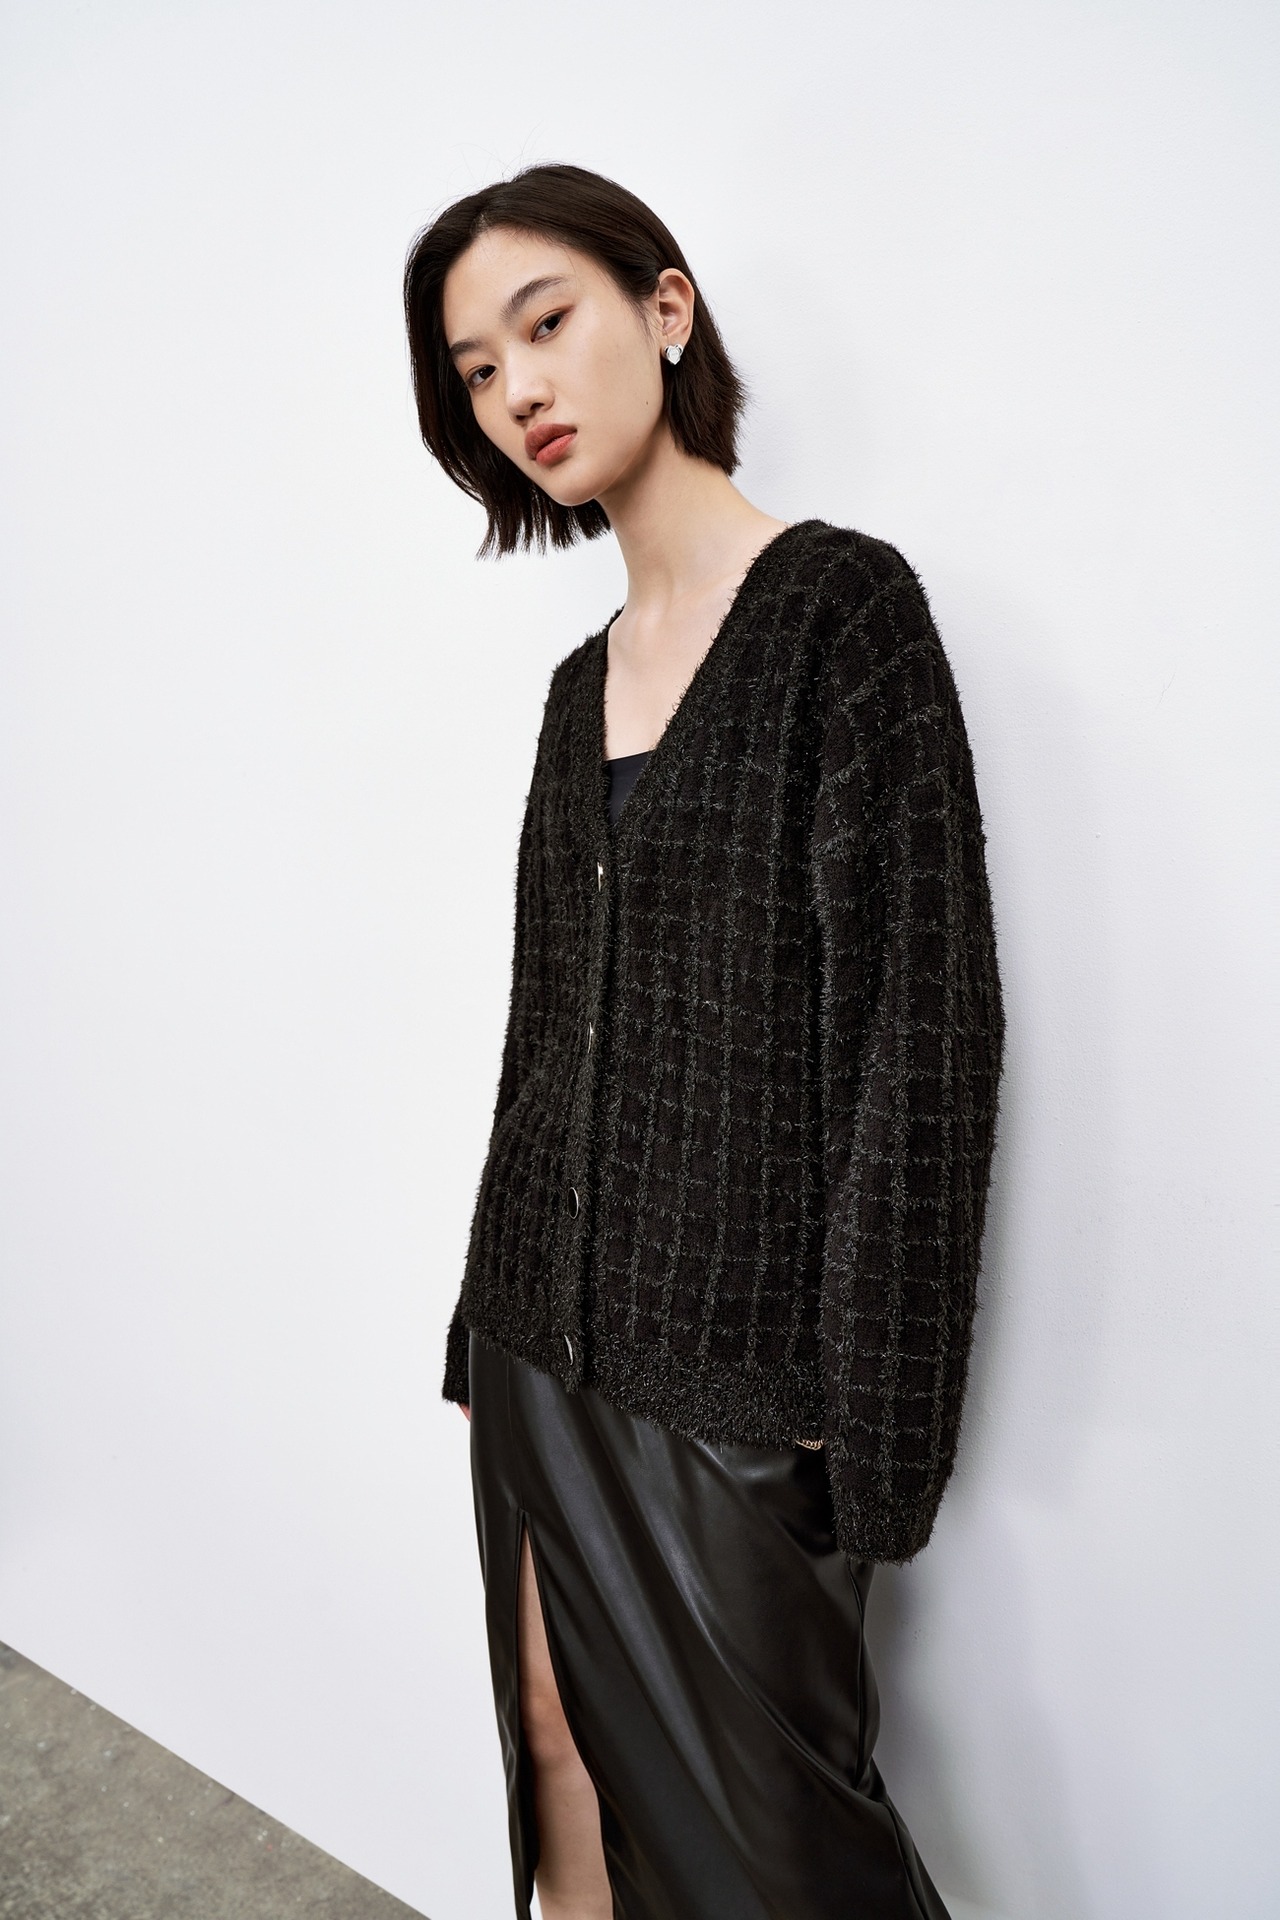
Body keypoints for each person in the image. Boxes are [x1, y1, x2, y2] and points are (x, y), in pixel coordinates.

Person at [403, 162, 1006, 1920]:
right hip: (538, 1347)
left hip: (743, 1392)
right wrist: (481, 1325)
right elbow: (545, 1037)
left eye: (546, 324)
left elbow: (924, 1046)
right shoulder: (572, 692)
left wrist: (873, 1444)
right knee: (555, 1757)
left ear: (664, 311)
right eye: (475, 368)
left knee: (780, 1871)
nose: (517, 388)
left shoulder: (841, 615)